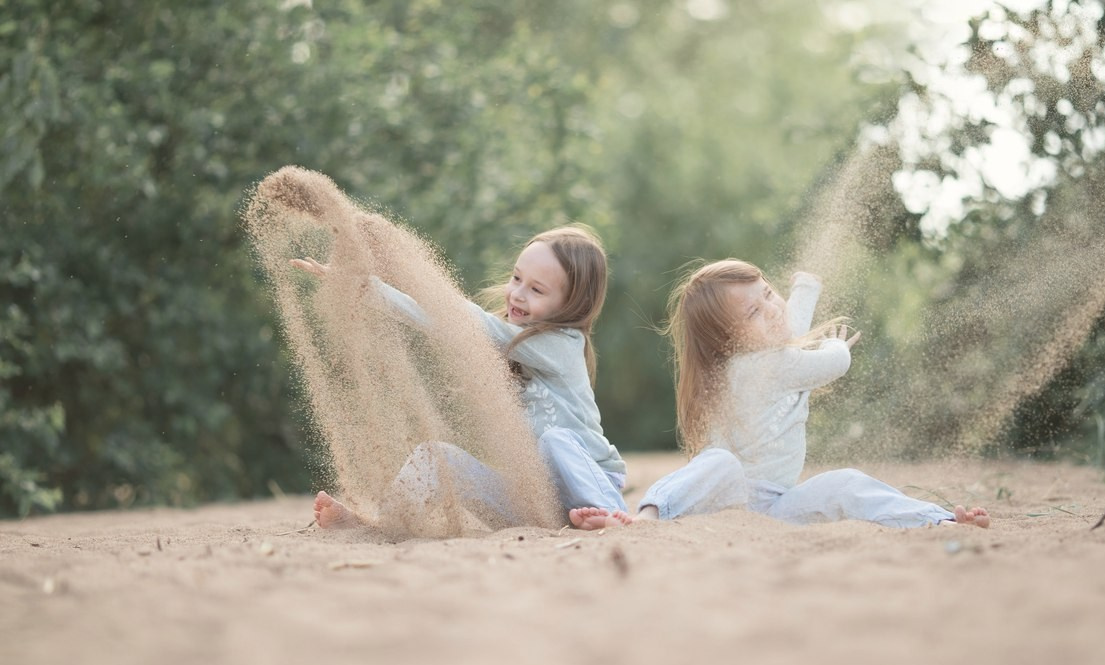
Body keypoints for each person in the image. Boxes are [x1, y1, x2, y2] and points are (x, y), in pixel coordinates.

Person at [293, 225, 632, 532]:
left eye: (537, 290)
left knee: (554, 440)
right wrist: (365, 288)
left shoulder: (563, 346)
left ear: (572, 304)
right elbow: (442, 323)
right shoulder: (512, 341)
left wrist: (413, 280)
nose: (517, 294)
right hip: (542, 505)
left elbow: (465, 321)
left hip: (591, 485)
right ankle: (379, 525)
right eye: (516, 279)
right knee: (436, 457)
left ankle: (611, 514)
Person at [635, 259, 989, 528]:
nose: (772, 309)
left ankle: (937, 520)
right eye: (754, 311)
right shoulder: (756, 367)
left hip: (776, 504)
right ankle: (651, 513)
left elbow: (787, 331)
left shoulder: (766, 357)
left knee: (846, 485)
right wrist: (836, 346)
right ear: (728, 341)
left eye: (769, 293)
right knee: (719, 462)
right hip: (727, 500)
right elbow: (832, 364)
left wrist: (805, 288)